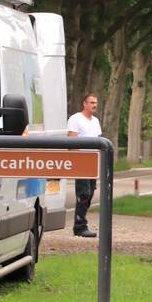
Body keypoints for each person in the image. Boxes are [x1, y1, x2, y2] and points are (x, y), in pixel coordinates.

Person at [67, 93, 101, 238]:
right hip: (81, 161)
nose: (94, 105)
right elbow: (71, 142)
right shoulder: (75, 119)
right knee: (83, 193)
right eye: (91, 102)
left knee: (91, 193)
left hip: (92, 163)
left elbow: (98, 141)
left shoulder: (95, 121)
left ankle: (81, 224)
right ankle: (80, 226)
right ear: (84, 103)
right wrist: (77, 159)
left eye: (96, 103)